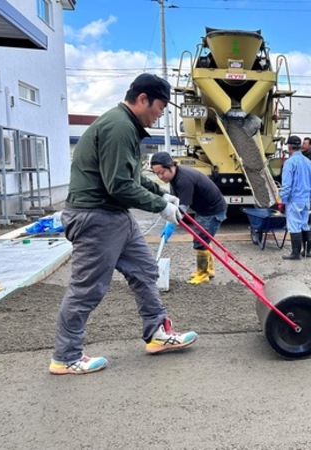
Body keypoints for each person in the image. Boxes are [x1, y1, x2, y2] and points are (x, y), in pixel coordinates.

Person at [49, 73, 197, 375]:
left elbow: (130, 177)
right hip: (95, 216)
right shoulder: (118, 127)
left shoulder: (126, 126)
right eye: (160, 107)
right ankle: (65, 357)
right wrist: (159, 206)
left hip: (115, 216)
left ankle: (157, 334)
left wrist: (162, 194)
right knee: (87, 288)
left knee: (145, 270)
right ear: (143, 99)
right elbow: (118, 185)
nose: (160, 114)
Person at [150, 152, 227, 285]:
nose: (160, 176)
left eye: (162, 172)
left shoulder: (184, 179)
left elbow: (182, 209)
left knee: (200, 240)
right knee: (204, 237)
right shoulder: (174, 178)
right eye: (157, 174)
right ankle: (209, 269)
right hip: (204, 209)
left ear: (171, 167)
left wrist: (171, 224)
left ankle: (203, 274)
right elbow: (175, 203)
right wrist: (169, 222)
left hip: (212, 210)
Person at [279, 135, 311, 260]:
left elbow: (286, 185)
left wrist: (283, 201)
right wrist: (310, 198)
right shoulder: (308, 162)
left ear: (289, 147)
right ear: (299, 146)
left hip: (294, 200)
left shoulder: (290, 163)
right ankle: (307, 251)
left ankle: (295, 253)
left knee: (294, 225)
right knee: (304, 224)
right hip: (306, 199)